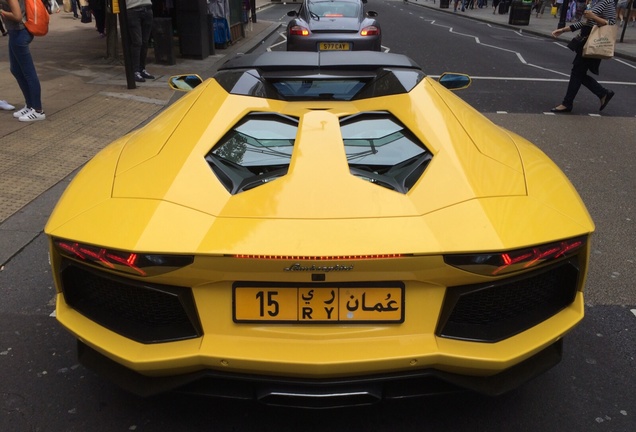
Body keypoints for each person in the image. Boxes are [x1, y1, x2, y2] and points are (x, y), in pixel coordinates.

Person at [550, 0, 616, 113]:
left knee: (577, 72)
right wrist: (563, 30)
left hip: (593, 41)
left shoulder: (607, 2)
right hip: (585, 40)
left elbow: (611, 23)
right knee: (578, 73)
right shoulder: (595, 1)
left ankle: (567, 103)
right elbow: (584, 22)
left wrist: (594, 16)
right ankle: (602, 93)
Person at [0, 0, 46, 121]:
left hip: (19, 32)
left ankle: (38, 110)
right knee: (16, 69)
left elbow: (17, 16)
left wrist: (1, 11)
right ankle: (30, 105)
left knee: (28, 72)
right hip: (16, 33)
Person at [126, 0, 155, 83]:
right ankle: (135, 70)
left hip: (147, 8)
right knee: (137, 42)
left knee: (145, 42)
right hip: (133, 9)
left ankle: (141, 69)